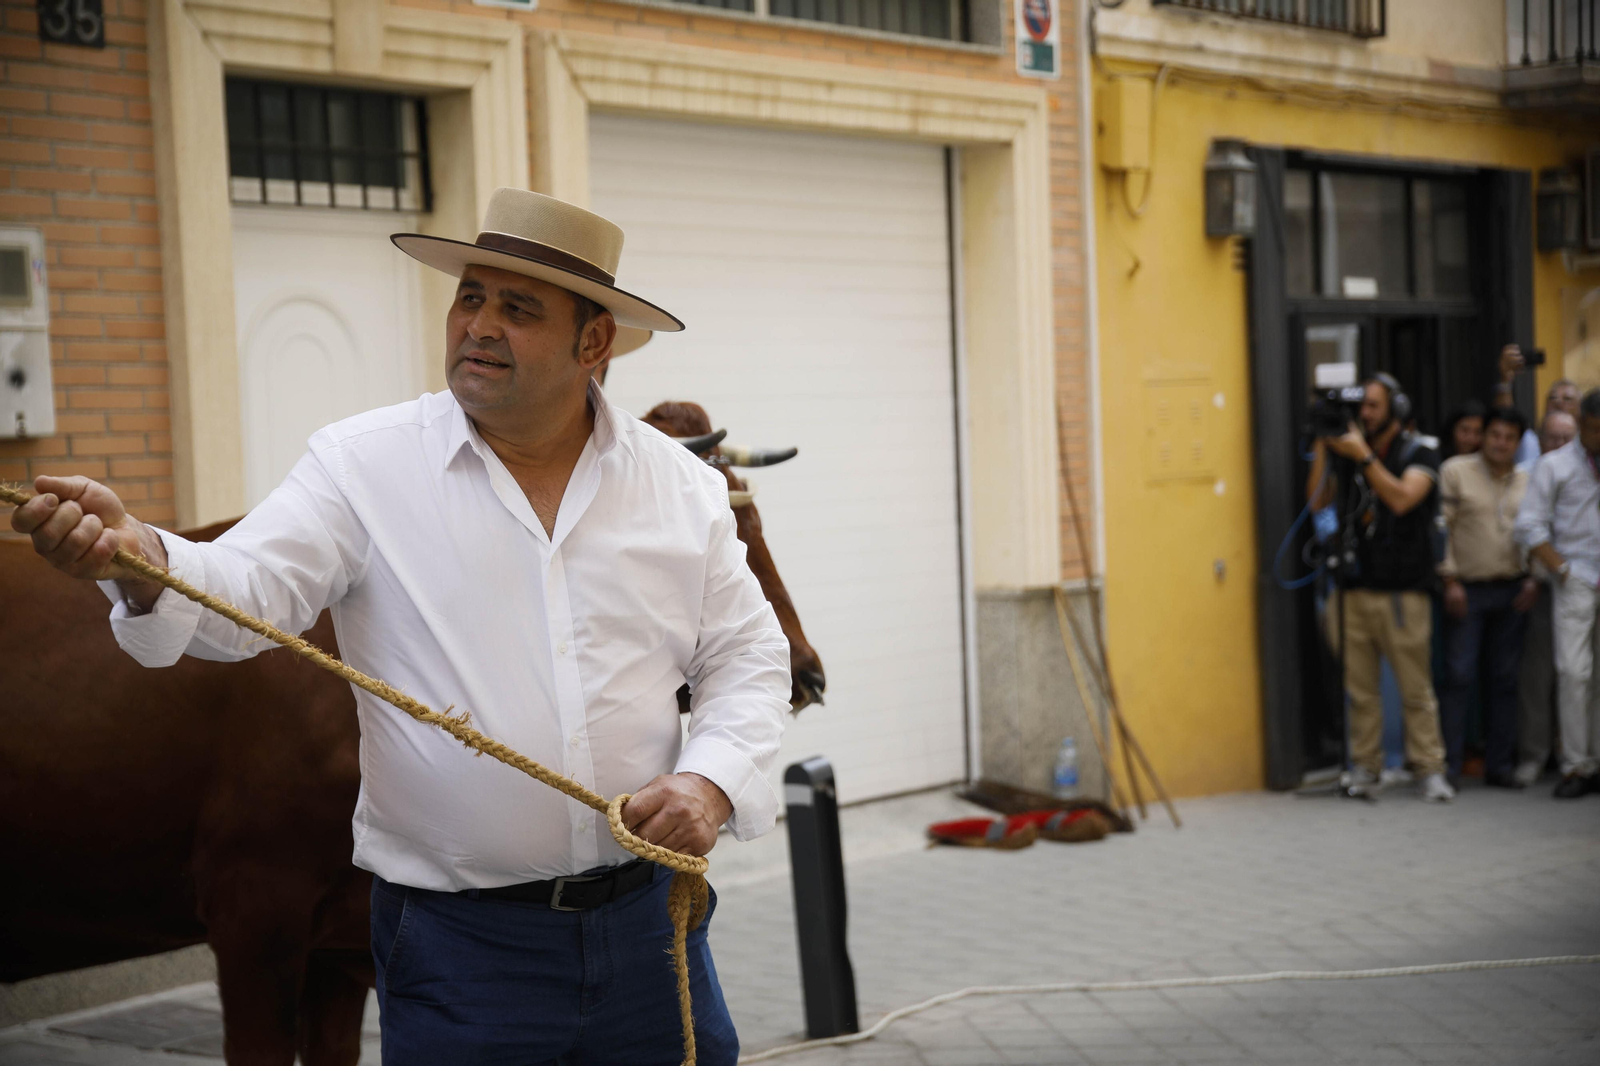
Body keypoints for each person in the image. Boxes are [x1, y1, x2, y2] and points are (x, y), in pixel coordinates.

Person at [7, 189, 790, 1062]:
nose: (479, 325)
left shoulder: (680, 488)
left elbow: (749, 655)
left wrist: (710, 783)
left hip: (653, 934)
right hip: (461, 954)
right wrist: (140, 553)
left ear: (594, 342)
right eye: (470, 298)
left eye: (518, 308)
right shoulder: (362, 466)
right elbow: (244, 593)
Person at [1308, 373, 1454, 801]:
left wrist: (1364, 456)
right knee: (1360, 692)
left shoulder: (1420, 451)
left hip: (1403, 592)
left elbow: (1403, 498)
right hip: (1353, 589)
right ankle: (1365, 767)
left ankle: (1429, 768)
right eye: (1362, 406)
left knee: (1415, 689)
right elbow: (1317, 503)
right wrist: (1324, 445)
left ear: (1397, 409)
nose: (1365, 414)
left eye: (1374, 406)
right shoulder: (1349, 453)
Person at [1438, 407, 1534, 789]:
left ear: (1518, 443)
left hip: (1514, 590)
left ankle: (1499, 765)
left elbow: (1538, 530)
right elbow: (1440, 530)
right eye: (1495, 434)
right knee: (1459, 677)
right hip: (1467, 590)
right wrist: (1449, 580)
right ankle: (1450, 766)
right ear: (1484, 436)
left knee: (1505, 680)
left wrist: (1535, 579)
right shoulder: (1456, 471)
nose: (1501, 443)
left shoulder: (1527, 480)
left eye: (1510, 438)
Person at [1515, 388, 1600, 800]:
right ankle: (1576, 766)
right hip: (1575, 576)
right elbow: (1528, 525)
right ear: (1581, 423)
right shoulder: (1554, 465)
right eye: (1595, 429)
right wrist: (1561, 569)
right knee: (1573, 673)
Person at [1514, 410, 1579, 785]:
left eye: (1566, 437)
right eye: (1552, 437)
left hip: (1584, 582)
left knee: (1580, 674)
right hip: (1541, 584)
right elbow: (1522, 531)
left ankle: (1577, 757)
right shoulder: (1526, 475)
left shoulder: (1588, 471)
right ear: (1539, 440)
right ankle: (1534, 755)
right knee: (1537, 677)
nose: (1559, 444)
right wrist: (1535, 574)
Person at [1498, 342, 1580, 467]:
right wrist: (1505, 379)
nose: (1558, 401)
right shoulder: (1530, 443)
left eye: (1567, 399)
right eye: (1552, 397)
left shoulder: (1589, 445)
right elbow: (1506, 419)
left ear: (1580, 409)